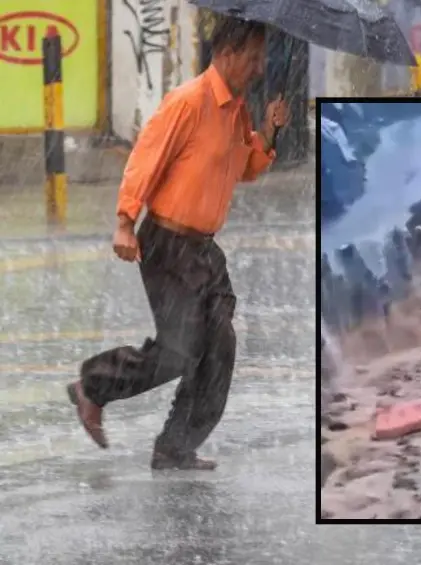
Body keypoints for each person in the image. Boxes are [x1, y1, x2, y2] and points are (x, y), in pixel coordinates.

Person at [65, 17, 289, 471]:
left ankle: (176, 445)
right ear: (227, 53)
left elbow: (244, 167)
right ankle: (93, 386)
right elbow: (146, 158)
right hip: (168, 243)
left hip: (205, 250)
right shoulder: (187, 102)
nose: (259, 67)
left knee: (219, 347)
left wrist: (268, 132)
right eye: (253, 57)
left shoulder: (237, 110)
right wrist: (126, 220)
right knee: (179, 350)